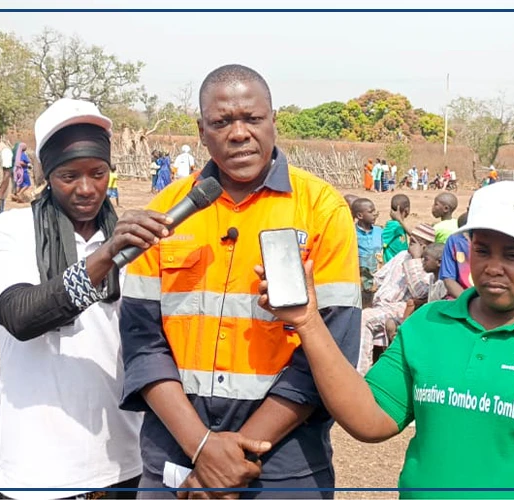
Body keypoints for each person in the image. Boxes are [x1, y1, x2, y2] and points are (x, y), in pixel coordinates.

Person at [255, 180, 514, 496]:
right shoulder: (428, 324)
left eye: (513, 255)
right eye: (482, 250)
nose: (493, 267)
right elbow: (370, 420)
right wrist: (308, 322)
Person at [119, 64, 361, 495]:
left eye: (252, 118)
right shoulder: (166, 211)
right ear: (201, 131)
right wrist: (202, 447)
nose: (238, 133)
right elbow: (142, 342)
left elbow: (332, 346)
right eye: (221, 122)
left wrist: (233, 459)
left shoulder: (322, 209)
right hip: (175, 455)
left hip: (284, 462)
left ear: (274, 121)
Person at [0, 98, 165, 499]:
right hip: (35, 467)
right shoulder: (12, 231)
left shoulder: (132, 239)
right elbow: (22, 316)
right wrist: (106, 256)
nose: (86, 188)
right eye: (69, 175)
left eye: (98, 173)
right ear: (46, 174)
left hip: (123, 459)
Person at [357, 239, 442, 373]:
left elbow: (419, 292)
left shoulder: (426, 265)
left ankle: (361, 373)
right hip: (381, 303)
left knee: (365, 317)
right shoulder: (402, 255)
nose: (411, 244)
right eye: (411, 240)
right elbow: (378, 278)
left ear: (423, 246)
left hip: (402, 307)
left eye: (415, 242)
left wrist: (415, 258)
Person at [353, 198, 384, 301]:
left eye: (375, 211)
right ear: (359, 216)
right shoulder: (352, 233)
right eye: (371, 212)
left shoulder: (379, 231)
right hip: (360, 281)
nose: (374, 214)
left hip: (378, 279)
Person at [437, 212, 471, 301]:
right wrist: (468, 302)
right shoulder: (455, 241)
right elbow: (448, 280)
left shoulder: (499, 239)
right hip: (461, 299)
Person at [381, 194, 411, 263]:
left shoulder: (399, 225)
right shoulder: (393, 226)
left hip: (399, 263)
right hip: (392, 264)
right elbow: (381, 241)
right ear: (407, 210)